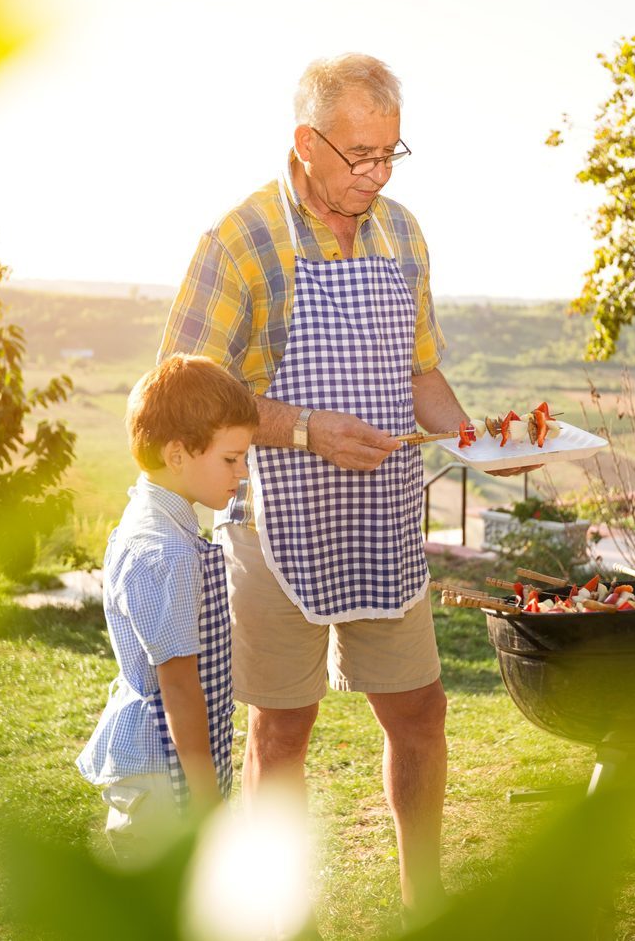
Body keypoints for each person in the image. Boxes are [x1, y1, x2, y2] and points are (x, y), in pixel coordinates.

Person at [158, 53, 526, 911]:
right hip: (274, 519)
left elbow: (421, 374)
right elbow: (184, 386)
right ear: (305, 142)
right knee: (283, 728)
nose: (375, 174)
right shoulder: (240, 240)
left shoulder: (403, 234)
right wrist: (304, 428)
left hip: (383, 517)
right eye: (360, 154)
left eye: (390, 153)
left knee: (422, 713)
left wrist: (480, 442)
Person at [76, 354, 258, 862]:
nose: (242, 474)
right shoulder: (168, 552)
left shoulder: (151, 517)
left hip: (174, 760)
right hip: (166, 775)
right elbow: (178, 686)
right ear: (177, 454)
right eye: (230, 459)